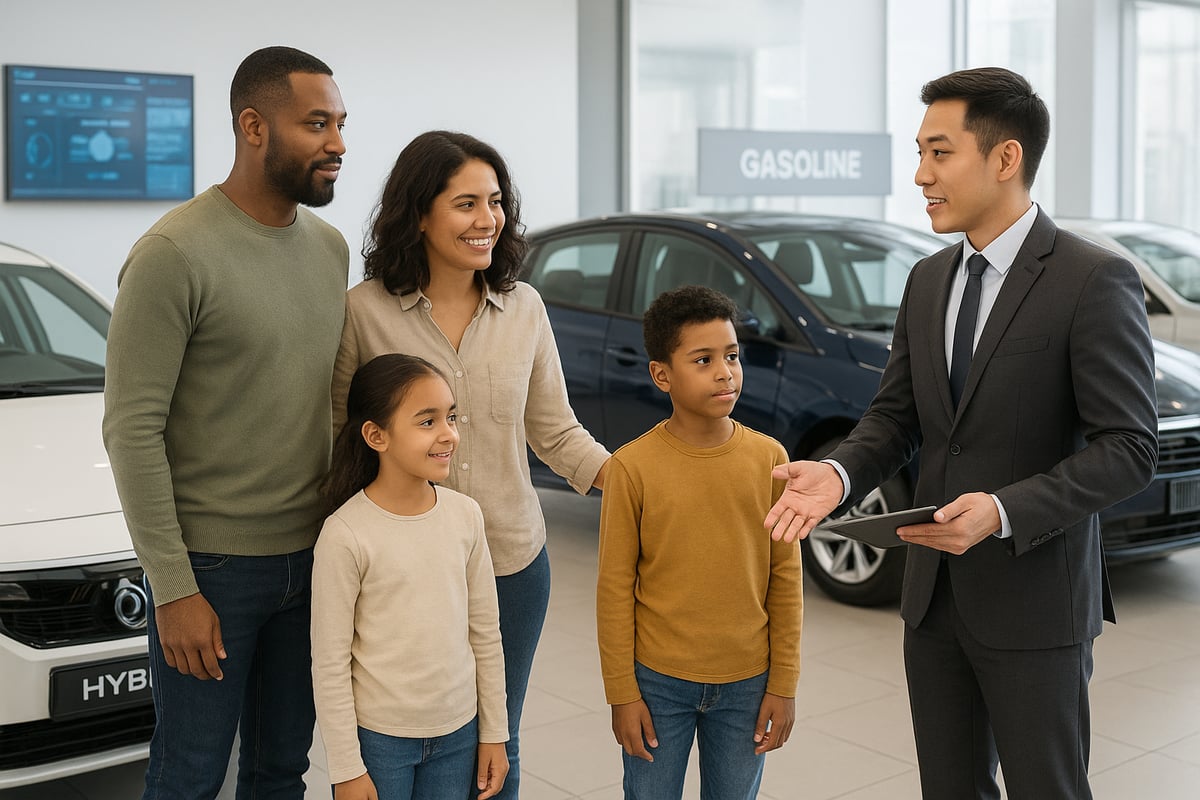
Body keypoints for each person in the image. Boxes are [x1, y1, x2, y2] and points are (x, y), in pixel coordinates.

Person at [764, 67, 1158, 799]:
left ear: (1005, 159)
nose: (921, 175)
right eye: (920, 153)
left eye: (939, 153)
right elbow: (897, 418)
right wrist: (841, 475)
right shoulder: (926, 280)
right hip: (934, 600)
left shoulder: (1091, 279)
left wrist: (1004, 511)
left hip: (1036, 601)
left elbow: (1130, 449)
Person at [331, 130, 610, 798]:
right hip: (399, 573)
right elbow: (337, 441)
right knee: (401, 746)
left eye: (495, 202)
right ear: (418, 213)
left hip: (510, 562)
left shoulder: (525, 309)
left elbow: (557, 433)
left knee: (496, 746)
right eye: (465, 204)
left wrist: (642, 482)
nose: (487, 220)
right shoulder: (362, 313)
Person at [102, 46, 349, 799]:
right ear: (253, 126)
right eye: (316, 123)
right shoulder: (173, 254)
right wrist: (172, 587)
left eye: (341, 123)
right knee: (189, 775)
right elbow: (131, 429)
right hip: (212, 570)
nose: (337, 142)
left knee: (281, 772)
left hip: (311, 563)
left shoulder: (331, 250)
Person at [597, 285, 802, 800]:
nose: (725, 372)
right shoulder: (631, 467)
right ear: (662, 374)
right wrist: (622, 693)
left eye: (732, 356)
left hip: (748, 681)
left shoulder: (771, 460)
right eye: (703, 359)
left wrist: (784, 682)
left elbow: (785, 576)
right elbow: (615, 587)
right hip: (657, 682)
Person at [312, 354, 508, 800]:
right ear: (376, 435)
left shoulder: (466, 516)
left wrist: (494, 732)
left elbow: (485, 634)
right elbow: (329, 664)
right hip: (379, 743)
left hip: (459, 733)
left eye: (451, 417)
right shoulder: (344, 535)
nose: (448, 434)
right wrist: (345, 767)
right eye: (427, 421)